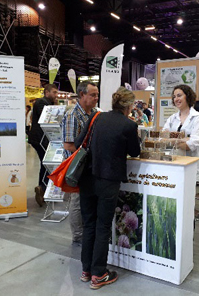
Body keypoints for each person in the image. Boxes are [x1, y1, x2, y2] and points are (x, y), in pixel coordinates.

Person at [75, 86, 140, 290]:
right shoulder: (128, 125)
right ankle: (99, 274)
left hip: (87, 179)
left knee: (89, 224)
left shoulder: (96, 118)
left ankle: (86, 270)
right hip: (108, 181)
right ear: (129, 106)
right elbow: (135, 152)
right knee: (103, 226)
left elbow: (78, 142)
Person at [62, 81, 98, 245]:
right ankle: (78, 235)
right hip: (77, 165)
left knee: (86, 199)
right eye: (93, 95)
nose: (96, 98)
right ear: (82, 94)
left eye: (97, 95)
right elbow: (68, 144)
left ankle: (87, 230)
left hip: (89, 165)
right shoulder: (72, 116)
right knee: (76, 201)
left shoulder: (94, 113)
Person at [163, 84, 199, 181]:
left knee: (187, 194)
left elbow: (192, 145)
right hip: (172, 162)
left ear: (188, 96)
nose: (176, 99)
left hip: (189, 164)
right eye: (174, 97)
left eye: (179, 95)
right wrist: (184, 139)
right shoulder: (172, 118)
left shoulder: (198, 118)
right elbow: (163, 138)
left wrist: (172, 139)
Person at [28, 84, 58, 206]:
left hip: (43, 139)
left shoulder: (47, 103)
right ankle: (42, 188)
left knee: (45, 163)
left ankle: (42, 188)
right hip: (39, 139)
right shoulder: (41, 102)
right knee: (47, 163)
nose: (56, 95)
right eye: (54, 92)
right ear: (47, 92)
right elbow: (47, 118)